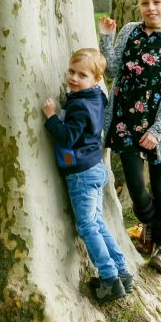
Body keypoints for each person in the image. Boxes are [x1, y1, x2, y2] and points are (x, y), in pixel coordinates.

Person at [99, 0, 161, 278]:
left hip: (155, 128)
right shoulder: (129, 31)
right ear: (139, 6)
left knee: (160, 186)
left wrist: (158, 130)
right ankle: (149, 223)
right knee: (137, 190)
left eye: (156, 2)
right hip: (125, 121)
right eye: (145, 3)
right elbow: (111, 70)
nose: (150, 8)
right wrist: (107, 38)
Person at [42, 48, 133, 304]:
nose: (73, 78)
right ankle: (122, 271)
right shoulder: (95, 97)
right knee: (98, 222)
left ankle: (109, 279)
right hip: (94, 168)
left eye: (82, 75)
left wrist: (51, 117)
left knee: (87, 226)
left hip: (82, 173)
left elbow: (68, 137)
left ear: (95, 80)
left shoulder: (81, 105)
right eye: (71, 71)